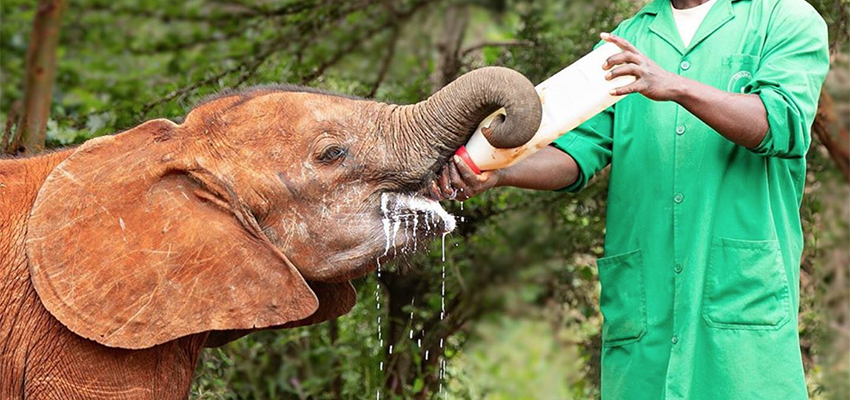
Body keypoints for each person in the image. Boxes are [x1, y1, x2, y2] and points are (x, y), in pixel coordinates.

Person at [431, 0, 830, 398]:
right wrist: (500, 174)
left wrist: (674, 86)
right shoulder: (629, 39)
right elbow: (577, 152)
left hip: (741, 325)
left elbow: (782, 122)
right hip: (644, 326)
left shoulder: (783, 16)